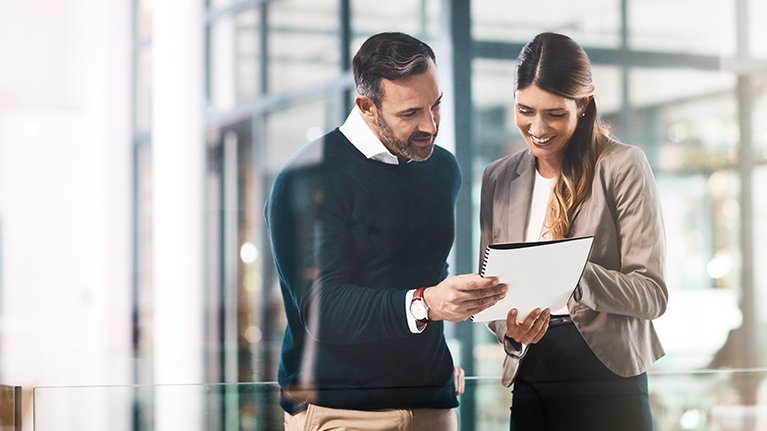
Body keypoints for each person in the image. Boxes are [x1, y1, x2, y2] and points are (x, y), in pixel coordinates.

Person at [266, 32, 507, 431]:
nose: (430, 126)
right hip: (345, 414)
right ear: (367, 106)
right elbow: (323, 309)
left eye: (436, 105)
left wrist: (441, 339)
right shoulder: (307, 177)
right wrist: (426, 304)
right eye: (411, 113)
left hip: (435, 405)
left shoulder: (442, 169)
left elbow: (424, 273)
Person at [480, 32, 668, 431]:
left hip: (608, 373)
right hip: (532, 372)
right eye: (525, 110)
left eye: (555, 113)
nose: (537, 127)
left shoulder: (622, 166)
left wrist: (572, 274)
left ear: (582, 106)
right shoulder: (498, 178)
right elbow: (493, 289)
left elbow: (652, 294)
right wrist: (509, 330)